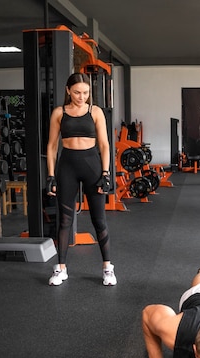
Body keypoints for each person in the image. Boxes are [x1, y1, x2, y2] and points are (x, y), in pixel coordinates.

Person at [45, 72, 117, 287]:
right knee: (65, 219)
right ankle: (61, 269)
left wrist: (106, 173)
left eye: (85, 92)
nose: (81, 96)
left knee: (99, 219)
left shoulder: (95, 112)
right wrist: (50, 175)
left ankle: (107, 268)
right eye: (77, 92)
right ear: (68, 90)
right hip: (67, 165)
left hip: (91, 165)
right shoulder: (59, 113)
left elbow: (104, 145)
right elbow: (51, 146)